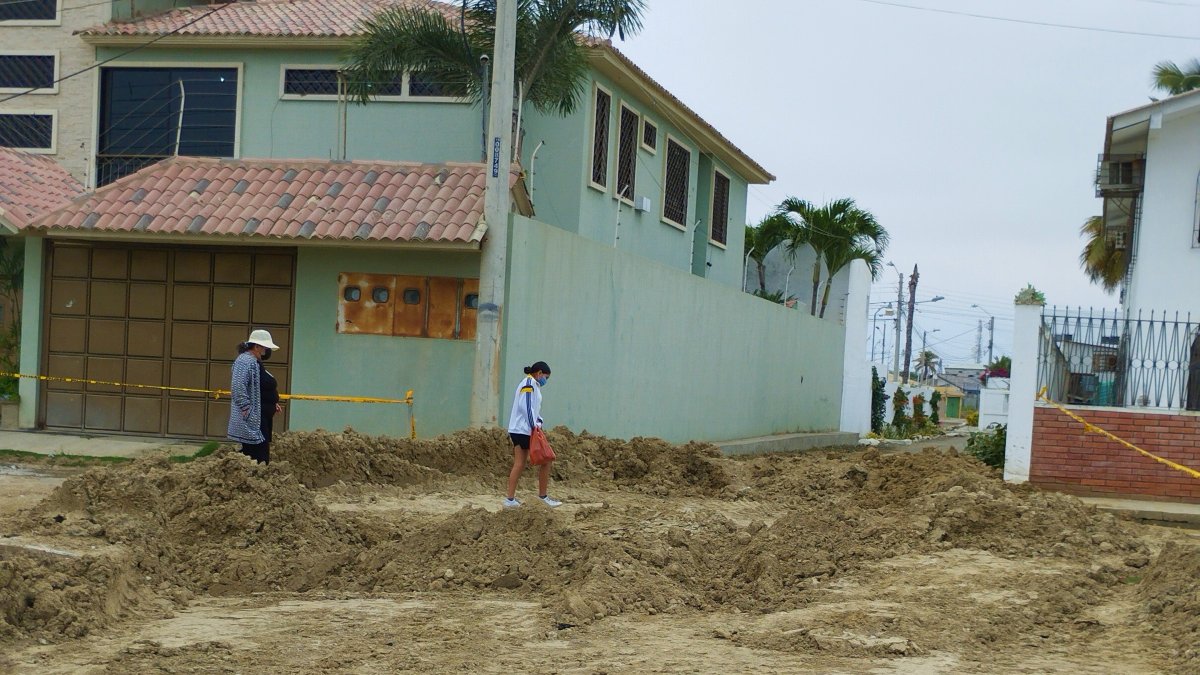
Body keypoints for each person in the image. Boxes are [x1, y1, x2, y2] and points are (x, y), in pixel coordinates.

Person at [504, 361, 560, 508]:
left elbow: (533, 409)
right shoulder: (529, 384)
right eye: (545, 377)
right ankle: (543, 496)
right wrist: (534, 427)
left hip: (518, 429)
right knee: (547, 460)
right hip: (524, 430)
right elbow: (526, 407)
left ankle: (510, 500)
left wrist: (538, 420)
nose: (545, 381)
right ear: (539, 373)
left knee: (519, 463)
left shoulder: (532, 384)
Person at [227, 329, 281, 463]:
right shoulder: (244, 361)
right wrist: (247, 409)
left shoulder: (255, 362)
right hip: (253, 419)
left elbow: (259, 386)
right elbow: (238, 387)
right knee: (258, 456)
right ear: (257, 346)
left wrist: (272, 403)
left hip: (262, 416)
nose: (267, 351)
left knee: (260, 454)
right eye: (265, 347)